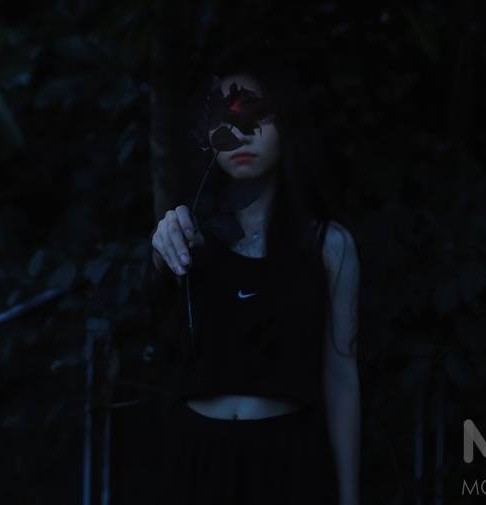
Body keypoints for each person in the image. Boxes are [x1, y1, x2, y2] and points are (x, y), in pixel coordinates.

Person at [147, 49, 361, 505]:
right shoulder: (188, 235)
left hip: (287, 464)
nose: (241, 131)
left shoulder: (328, 244)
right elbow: (159, 276)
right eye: (224, 117)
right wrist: (163, 243)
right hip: (197, 463)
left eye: (258, 114)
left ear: (288, 123)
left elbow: (341, 375)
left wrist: (349, 497)